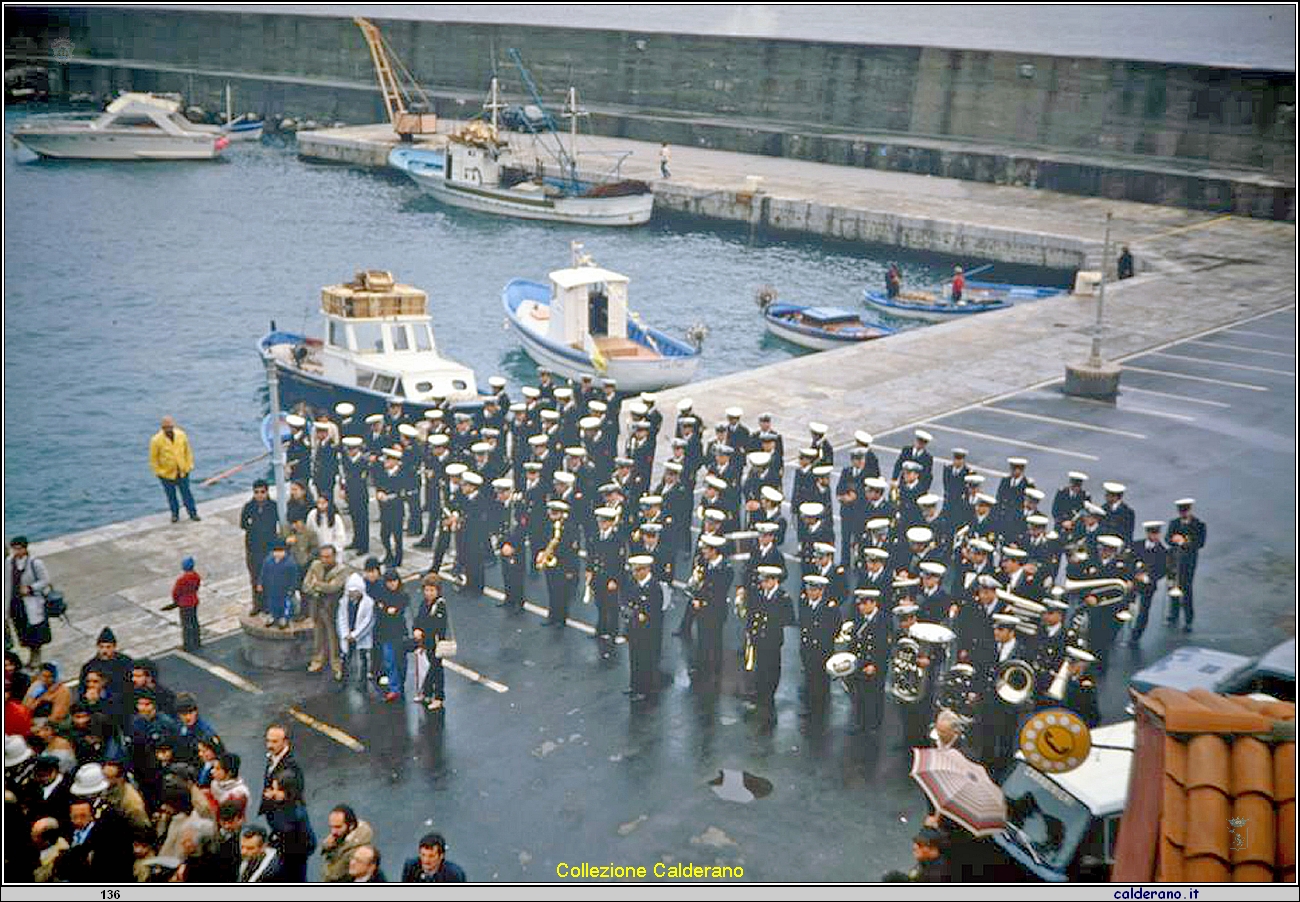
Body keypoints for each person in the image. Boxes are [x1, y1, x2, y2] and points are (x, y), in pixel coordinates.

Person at [258, 723, 315, 883]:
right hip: (283, 831)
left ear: (285, 741)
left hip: (293, 840)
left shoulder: (291, 767)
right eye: (268, 740)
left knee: (294, 876)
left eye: (275, 741)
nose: (270, 745)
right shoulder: (274, 758)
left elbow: (296, 788)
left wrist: (282, 795)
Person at [302, 544, 350, 682]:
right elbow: (305, 585)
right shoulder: (315, 565)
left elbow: (333, 587)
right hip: (316, 606)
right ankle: (318, 660)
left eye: (328, 557)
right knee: (318, 634)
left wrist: (317, 584)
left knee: (333, 636)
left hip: (332, 607)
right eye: (322, 556)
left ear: (334, 556)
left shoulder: (342, 570)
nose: (325, 560)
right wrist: (320, 586)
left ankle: (336, 663)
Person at [6, 536, 52, 669]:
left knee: (35, 632)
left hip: (31, 602)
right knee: (22, 632)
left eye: (19, 549)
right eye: (14, 549)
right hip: (16, 604)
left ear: (25, 548)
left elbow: (45, 580)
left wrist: (31, 588)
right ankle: (31, 656)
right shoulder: (9, 562)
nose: (16, 552)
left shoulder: (35, 563)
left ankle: (36, 657)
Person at [1166, 498, 1206, 632]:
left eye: (1185, 511)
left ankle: (1188, 620)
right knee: (1173, 586)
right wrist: (1173, 540)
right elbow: (1167, 538)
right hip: (1174, 560)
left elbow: (1200, 543)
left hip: (1188, 562)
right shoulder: (1174, 523)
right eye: (1181, 511)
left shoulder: (1198, 525)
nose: (1183, 513)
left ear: (1190, 510)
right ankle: (1174, 614)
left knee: (1186, 589)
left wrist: (1184, 542)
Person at [150, 416, 201, 523]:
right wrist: (159, 472)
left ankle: (193, 513)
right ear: (162, 428)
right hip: (166, 474)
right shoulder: (156, 440)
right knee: (171, 496)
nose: (168, 429)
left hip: (182, 471)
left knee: (187, 494)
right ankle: (175, 514)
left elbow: (187, 451)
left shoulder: (181, 435)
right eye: (166, 427)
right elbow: (154, 459)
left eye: (170, 427)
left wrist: (189, 465)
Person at [240, 481, 280, 617]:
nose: (259, 495)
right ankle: (257, 605)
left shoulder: (273, 506)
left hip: (268, 547)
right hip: (253, 547)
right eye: (256, 492)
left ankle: (268, 604)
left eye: (262, 492)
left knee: (269, 576)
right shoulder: (249, 507)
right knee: (255, 577)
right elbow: (243, 524)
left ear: (267, 492)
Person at [412, 575, 451, 711]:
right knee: (431, 668)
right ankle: (427, 693)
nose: (428, 593)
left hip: (435, 643)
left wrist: (421, 632)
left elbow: (437, 625)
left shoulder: (440, 605)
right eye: (427, 590)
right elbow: (418, 619)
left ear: (438, 590)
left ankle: (439, 697)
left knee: (436, 669)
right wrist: (416, 628)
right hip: (426, 642)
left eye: (432, 590)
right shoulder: (424, 603)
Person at [338, 573, 376, 691]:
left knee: (363, 659)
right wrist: (345, 634)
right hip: (348, 635)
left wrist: (355, 635)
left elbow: (368, 621)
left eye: (355, 591)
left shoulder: (368, 603)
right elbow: (341, 618)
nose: (353, 594)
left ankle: (362, 683)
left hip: (361, 636)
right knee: (345, 658)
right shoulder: (344, 602)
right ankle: (344, 680)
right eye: (351, 591)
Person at [320, 804, 374, 882]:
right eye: (331, 827)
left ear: (351, 826)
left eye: (338, 827)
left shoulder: (356, 850)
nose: (333, 832)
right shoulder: (342, 839)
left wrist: (329, 850)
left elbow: (332, 875)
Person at [258, 539, 300, 630]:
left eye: (280, 551)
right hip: (272, 587)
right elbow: (263, 572)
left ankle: (284, 618)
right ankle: (273, 616)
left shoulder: (290, 563)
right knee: (272, 603)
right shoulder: (268, 560)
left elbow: (294, 578)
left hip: (285, 589)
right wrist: (260, 583)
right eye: (276, 551)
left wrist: (292, 589)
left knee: (285, 605)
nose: (278, 554)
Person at [164, 557, 203, 652]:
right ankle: (197, 642)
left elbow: (175, 592)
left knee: (186, 625)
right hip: (194, 601)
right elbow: (197, 587)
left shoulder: (181, 580)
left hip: (184, 603)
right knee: (194, 622)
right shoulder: (196, 576)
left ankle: (187, 645)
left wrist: (176, 601)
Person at [401, 832, 467, 882]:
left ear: (441, 856)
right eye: (423, 855)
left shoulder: (453, 875)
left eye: (431, 856)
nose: (426, 860)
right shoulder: (411, 867)